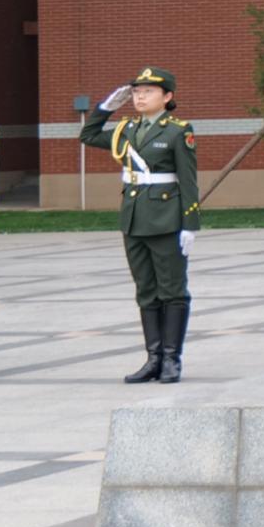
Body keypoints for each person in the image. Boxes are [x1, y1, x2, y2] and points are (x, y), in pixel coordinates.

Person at [79, 67, 198, 384]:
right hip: (133, 218)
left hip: (166, 219)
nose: (140, 96)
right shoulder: (126, 129)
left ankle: (171, 359)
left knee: (172, 291)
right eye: (136, 91)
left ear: (167, 96)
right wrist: (106, 108)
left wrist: (190, 224)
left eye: (148, 91)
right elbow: (87, 136)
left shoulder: (178, 131)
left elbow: (188, 181)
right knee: (146, 291)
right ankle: (153, 358)